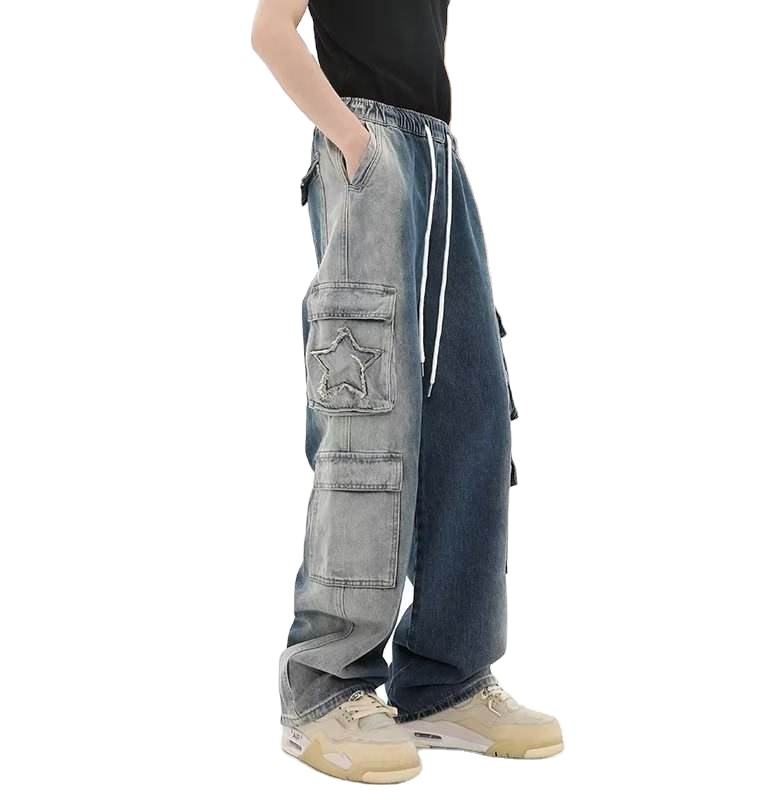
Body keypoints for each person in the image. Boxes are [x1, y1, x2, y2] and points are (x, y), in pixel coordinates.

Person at [252, 0, 562, 783]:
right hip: (365, 145)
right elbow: (269, 32)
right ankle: (326, 684)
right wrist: (354, 143)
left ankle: (446, 681)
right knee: (369, 416)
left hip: (440, 156)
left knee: (474, 410)